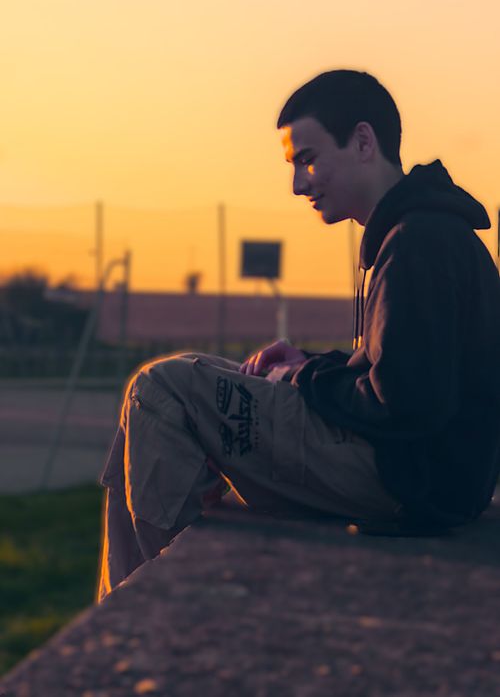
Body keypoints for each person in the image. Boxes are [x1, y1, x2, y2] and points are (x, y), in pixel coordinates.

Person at [96, 69, 500, 603]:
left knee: (161, 387)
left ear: (362, 141)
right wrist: (311, 362)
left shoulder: (418, 241)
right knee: (171, 387)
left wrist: (303, 375)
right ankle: (124, 604)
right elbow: (401, 369)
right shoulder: (420, 232)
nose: (299, 184)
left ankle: (156, 610)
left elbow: (407, 404)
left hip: (405, 481)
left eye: (307, 159)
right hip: (418, 473)